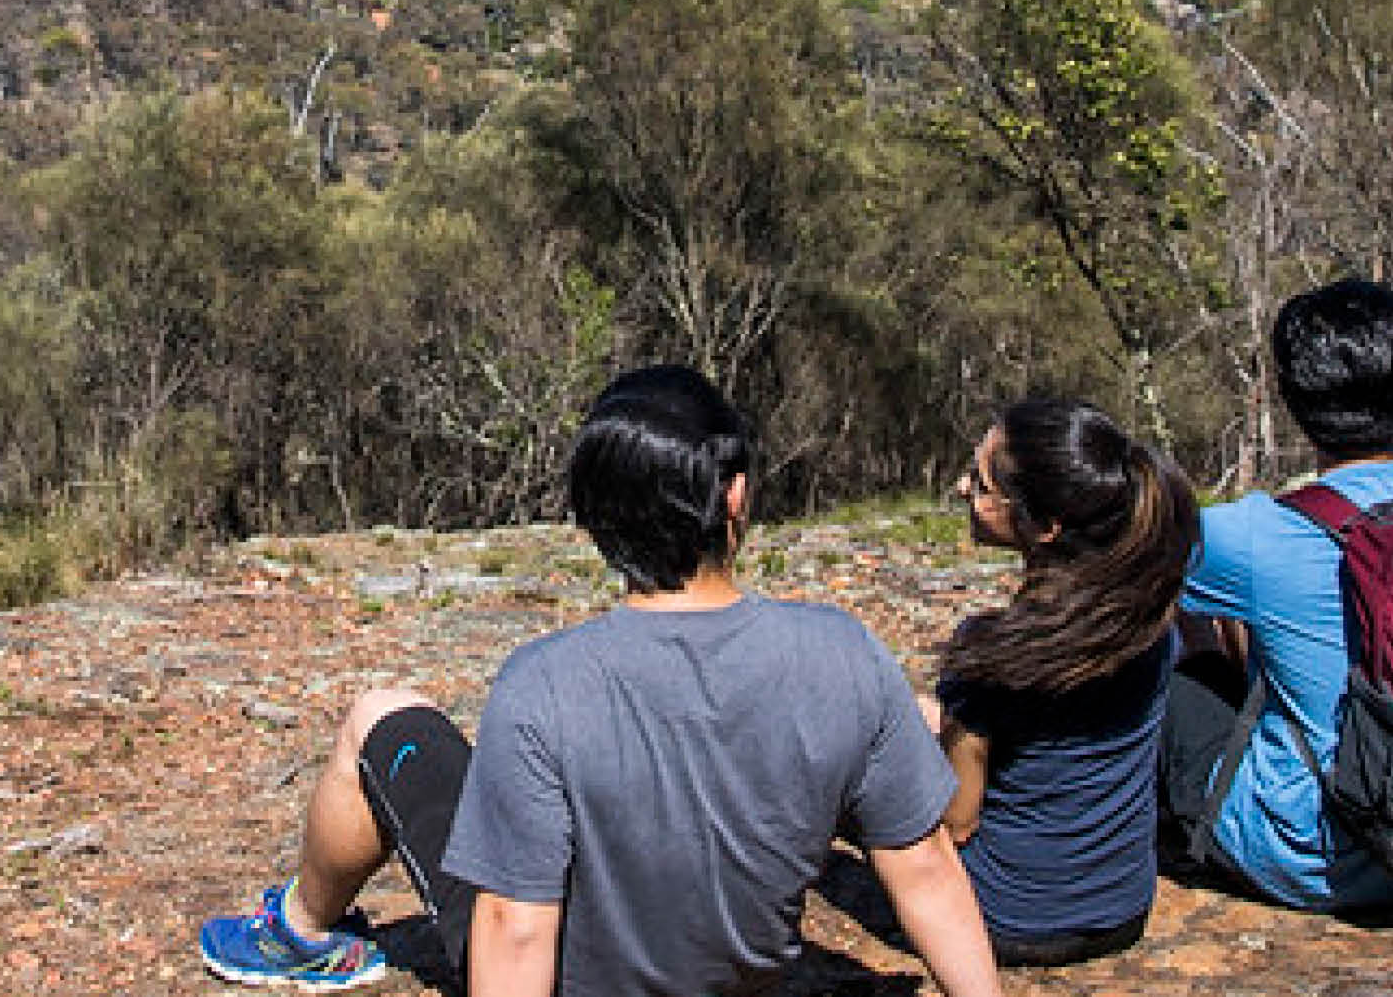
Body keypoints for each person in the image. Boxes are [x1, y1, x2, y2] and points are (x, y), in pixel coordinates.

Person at [196, 365, 1007, 997]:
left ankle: (298, 935)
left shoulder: (546, 686)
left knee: (384, 715)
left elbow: (515, 928)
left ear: (590, 520)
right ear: (735, 496)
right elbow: (926, 867)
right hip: (740, 977)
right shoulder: (841, 654)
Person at [1162, 277, 1393, 911]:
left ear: (1293, 403)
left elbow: (1139, 563)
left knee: (1167, 679)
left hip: (1314, 859)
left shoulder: (1254, 533)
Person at [926, 397, 1197, 966]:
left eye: (980, 485)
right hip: (1123, 909)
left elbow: (957, 819)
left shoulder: (991, 654)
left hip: (1007, 918)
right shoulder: (1151, 618)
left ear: (1045, 527)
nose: (960, 489)